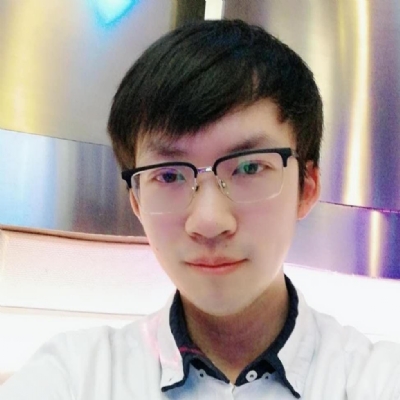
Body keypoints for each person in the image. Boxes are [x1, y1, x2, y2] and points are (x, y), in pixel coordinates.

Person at [1, 19, 400, 400]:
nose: (209, 221)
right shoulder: (74, 377)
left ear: (307, 187)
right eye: (169, 175)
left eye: (249, 168)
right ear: (137, 201)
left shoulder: (378, 380)